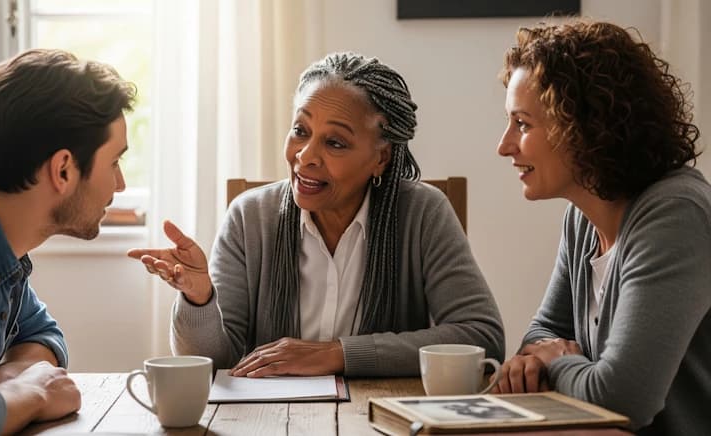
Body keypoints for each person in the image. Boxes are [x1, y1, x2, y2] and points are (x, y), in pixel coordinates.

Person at [128, 52, 504, 377]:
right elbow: (215, 363)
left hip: (382, 416)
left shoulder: (423, 213)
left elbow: (482, 336)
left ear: (381, 158)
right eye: (300, 130)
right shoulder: (249, 217)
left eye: (335, 142)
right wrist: (199, 299)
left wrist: (338, 354)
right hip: (272, 421)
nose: (305, 156)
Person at [493, 19, 711, 435]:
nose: (504, 146)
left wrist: (558, 361)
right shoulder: (582, 217)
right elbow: (541, 335)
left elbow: (623, 398)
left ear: (583, 125)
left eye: (522, 124)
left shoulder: (676, 216)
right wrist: (545, 358)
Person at [0, 49, 136, 435]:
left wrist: (7, 383)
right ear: (63, 169)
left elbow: (43, 334)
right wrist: (35, 393)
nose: (120, 184)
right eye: (114, 162)